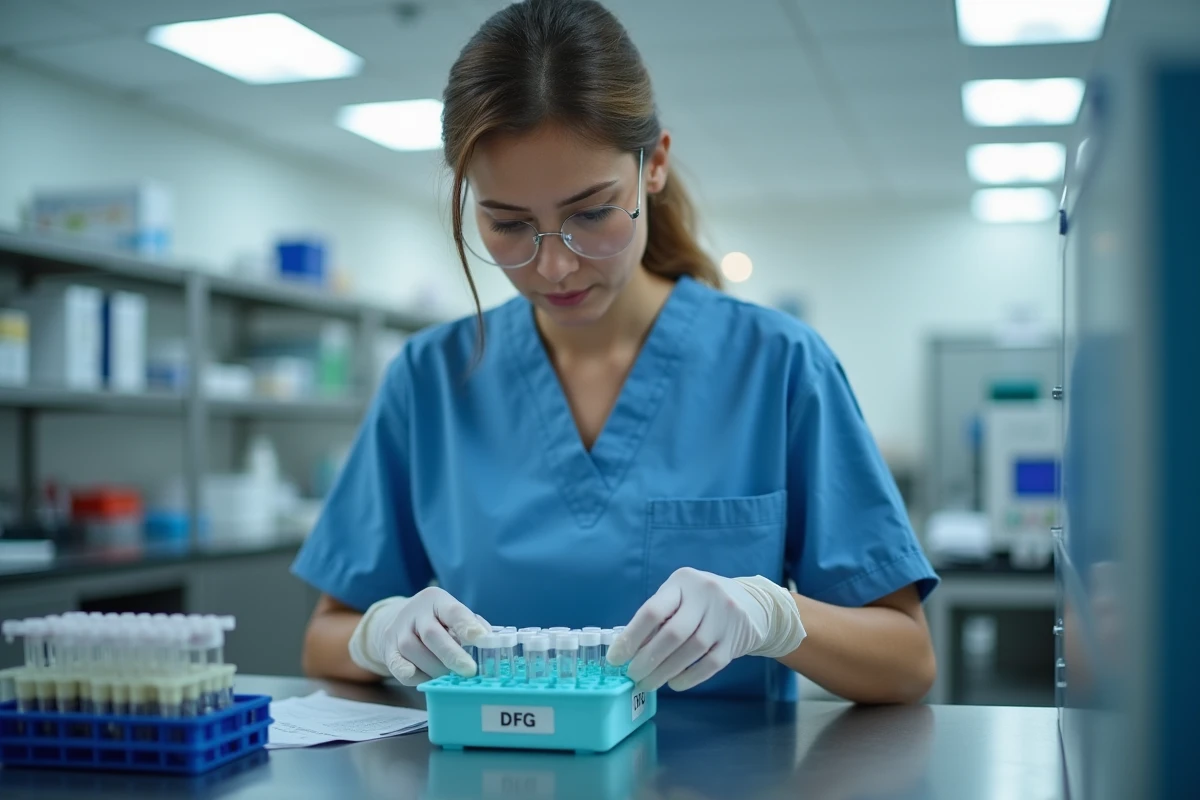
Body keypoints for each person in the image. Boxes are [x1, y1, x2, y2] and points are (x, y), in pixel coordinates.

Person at [293, 0, 939, 704]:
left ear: (653, 165)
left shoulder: (777, 365)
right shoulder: (430, 379)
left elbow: (907, 659)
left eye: (592, 214)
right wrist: (379, 633)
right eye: (508, 225)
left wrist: (775, 617)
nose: (554, 267)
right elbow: (324, 637)